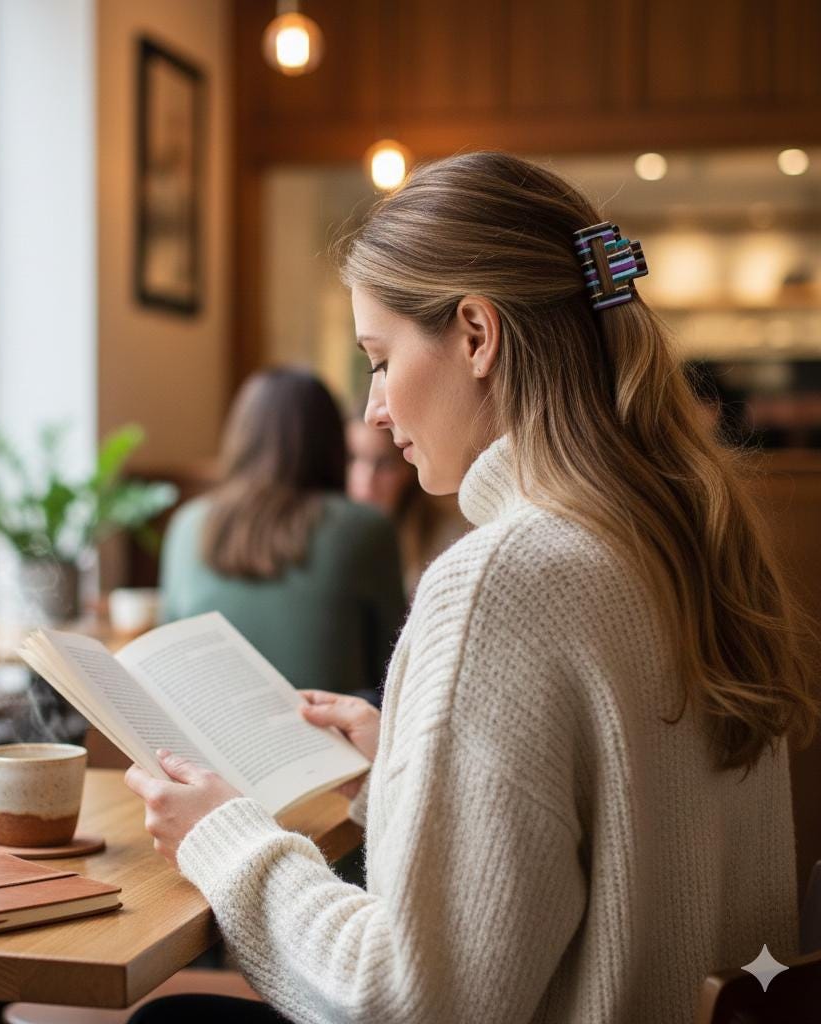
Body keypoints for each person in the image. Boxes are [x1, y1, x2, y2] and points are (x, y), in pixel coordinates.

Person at [125, 152, 818, 1023]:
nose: (375, 408)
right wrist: (404, 772)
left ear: (477, 335)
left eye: (379, 359)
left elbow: (410, 1000)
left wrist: (226, 841)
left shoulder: (503, 578)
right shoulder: (688, 542)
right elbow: (607, 853)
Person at [157, 366, 405, 701]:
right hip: (334, 746)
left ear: (241, 437)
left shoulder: (187, 525)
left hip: (204, 746)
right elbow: (398, 674)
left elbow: (167, 664)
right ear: (332, 443)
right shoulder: (365, 528)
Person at [346, 409, 469, 600]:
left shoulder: (447, 538)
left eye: (385, 463)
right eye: (354, 459)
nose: (367, 480)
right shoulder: (329, 533)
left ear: (409, 471)